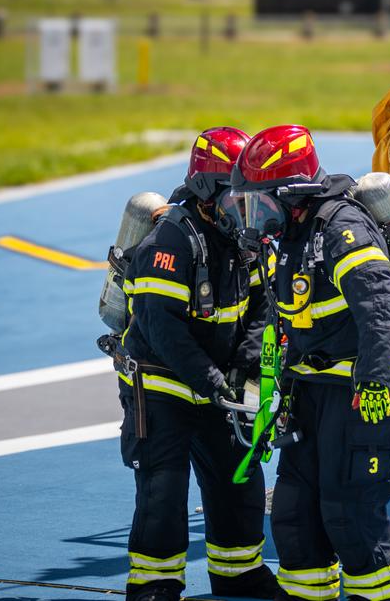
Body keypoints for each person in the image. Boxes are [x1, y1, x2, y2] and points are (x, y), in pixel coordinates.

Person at [227, 124, 390, 601]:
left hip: (362, 392)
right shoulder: (292, 235)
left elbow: (381, 310)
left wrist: (375, 384)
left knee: (349, 508)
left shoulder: (341, 228)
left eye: (261, 203)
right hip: (312, 391)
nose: (254, 217)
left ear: (292, 195)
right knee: (295, 513)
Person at [116, 127, 278, 601]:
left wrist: (241, 370)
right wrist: (210, 378)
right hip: (162, 384)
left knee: (239, 478)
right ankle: (154, 584)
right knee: (163, 488)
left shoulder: (243, 240)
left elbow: (261, 310)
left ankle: (237, 572)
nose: (246, 210)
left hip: (218, 386)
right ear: (208, 193)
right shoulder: (169, 243)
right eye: (236, 198)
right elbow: (161, 328)